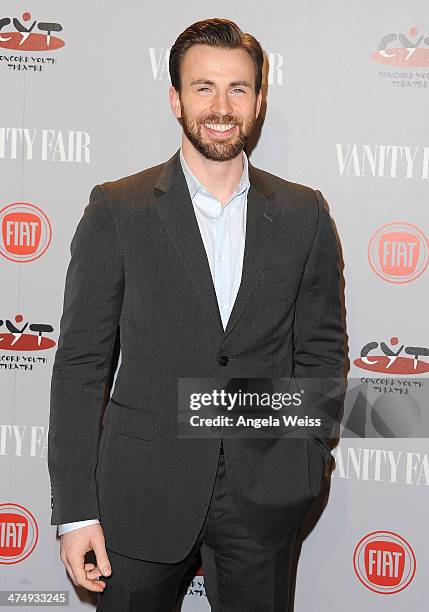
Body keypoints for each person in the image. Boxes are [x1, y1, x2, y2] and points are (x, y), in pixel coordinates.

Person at [48, 18, 345, 611]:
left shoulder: (302, 213)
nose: (221, 106)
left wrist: (306, 457)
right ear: (175, 98)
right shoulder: (118, 209)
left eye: (238, 88)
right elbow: (83, 365)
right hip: (139, 494)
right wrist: (76, 510)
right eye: (203, 87)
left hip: (264, 496)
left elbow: (322, 352)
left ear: (259, 101)